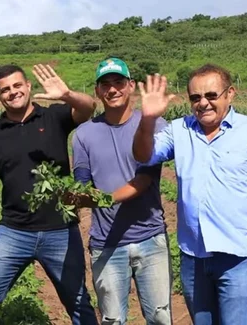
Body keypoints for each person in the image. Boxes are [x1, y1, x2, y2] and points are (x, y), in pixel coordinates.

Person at [0, 63, 98, 324]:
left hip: (61, 230)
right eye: (5, 89)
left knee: (78, 303)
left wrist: (67, 95)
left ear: (28, 86)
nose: (13, 92)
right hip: (13, 232)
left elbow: (88, 108)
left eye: (17, 85)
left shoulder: (54, 117)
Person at [132, 65, 247, 324]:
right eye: (196, 98)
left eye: (211, 95)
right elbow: (144, 155)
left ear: (230, 93)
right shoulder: (179, 130)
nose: (203, 103)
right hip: (194, 257)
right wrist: (148, 119)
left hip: (238, 258)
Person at [71, 58, 171, 325]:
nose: (112, 89)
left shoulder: (152, 125)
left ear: (131, 86)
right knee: (112, 320)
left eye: (118, 83)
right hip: (106, 243)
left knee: (160, 316)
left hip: (150, 238)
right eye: (106, 84)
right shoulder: (84, 134)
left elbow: (146, 178)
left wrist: (104, 198)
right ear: (97, 91)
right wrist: (74, 196)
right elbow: (81, 178)